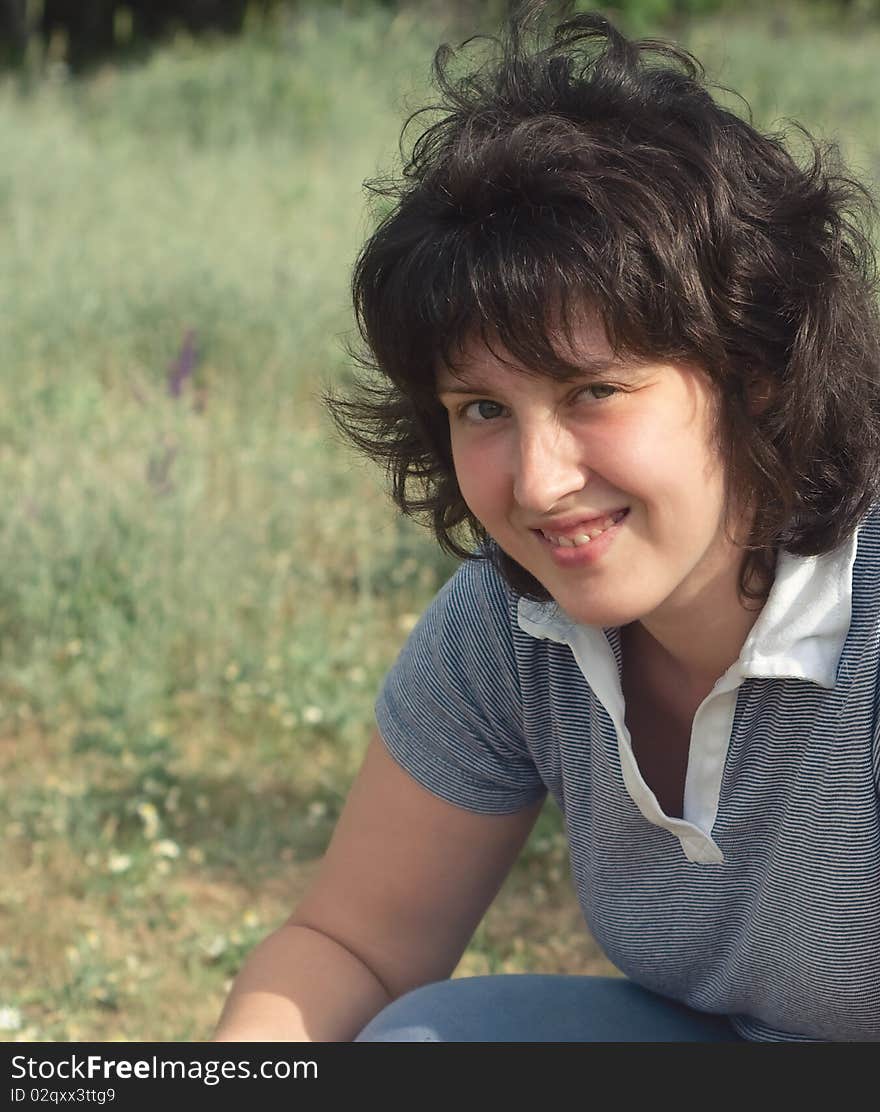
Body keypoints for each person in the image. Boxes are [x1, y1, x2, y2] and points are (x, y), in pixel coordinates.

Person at [214, 1, 880, 1042]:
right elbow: (355, 944)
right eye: (482, 408)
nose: (537, 481)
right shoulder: (512, 626)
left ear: (751, 376)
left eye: (591, 392)